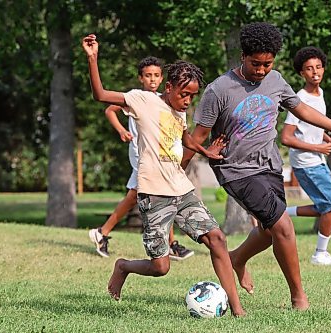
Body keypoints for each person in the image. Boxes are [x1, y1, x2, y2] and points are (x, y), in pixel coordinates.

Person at [181, 22, 331, 310]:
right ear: (243, 56)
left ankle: (236, 259)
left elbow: (303, 110)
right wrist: (175, 174)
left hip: (269, 166)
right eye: (255, 64)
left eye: (267, 64)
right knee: (283, 226)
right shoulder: (219, 90)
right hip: (235, 170)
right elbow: (196, 138)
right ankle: (299, 297)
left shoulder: (276, 81)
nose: (261, 70)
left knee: (269, 233)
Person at [82, 34, 246, 317]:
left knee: (217, 239)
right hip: (153, 194)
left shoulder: (179, 111)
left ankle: (237, 309)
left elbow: (184, 139)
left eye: (192, 96)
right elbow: (101, 96)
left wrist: (206, 151)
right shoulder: (142, 100)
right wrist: (93, 59)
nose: (187, 101)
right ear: (168, 87)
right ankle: (123, 266)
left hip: (181, 190)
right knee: (161, 267)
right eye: (184, 94)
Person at [88, 56, 194, 261]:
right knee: (162, 191)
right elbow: (109, 109)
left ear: (163, 78)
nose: (152, 79)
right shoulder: (136, 97)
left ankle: (102, 232)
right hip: (142, 154)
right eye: (148, 76)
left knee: (134, 197)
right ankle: (170, 244)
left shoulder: (164, 100)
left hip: (156, 155)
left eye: (156, 75)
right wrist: (121, 130)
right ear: (140, 78)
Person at [281, 46, 331, 266]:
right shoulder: (299, 99)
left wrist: (329, 140)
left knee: (325, 206)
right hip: (306, 163)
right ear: (301, 73)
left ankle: (280, 213)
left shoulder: (320, 94)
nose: (315, 72)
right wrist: (316, 148)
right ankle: (320, 254)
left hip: (318, 160)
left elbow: (313, 127)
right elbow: (286, 137)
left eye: (318, 67)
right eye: (309, 69)